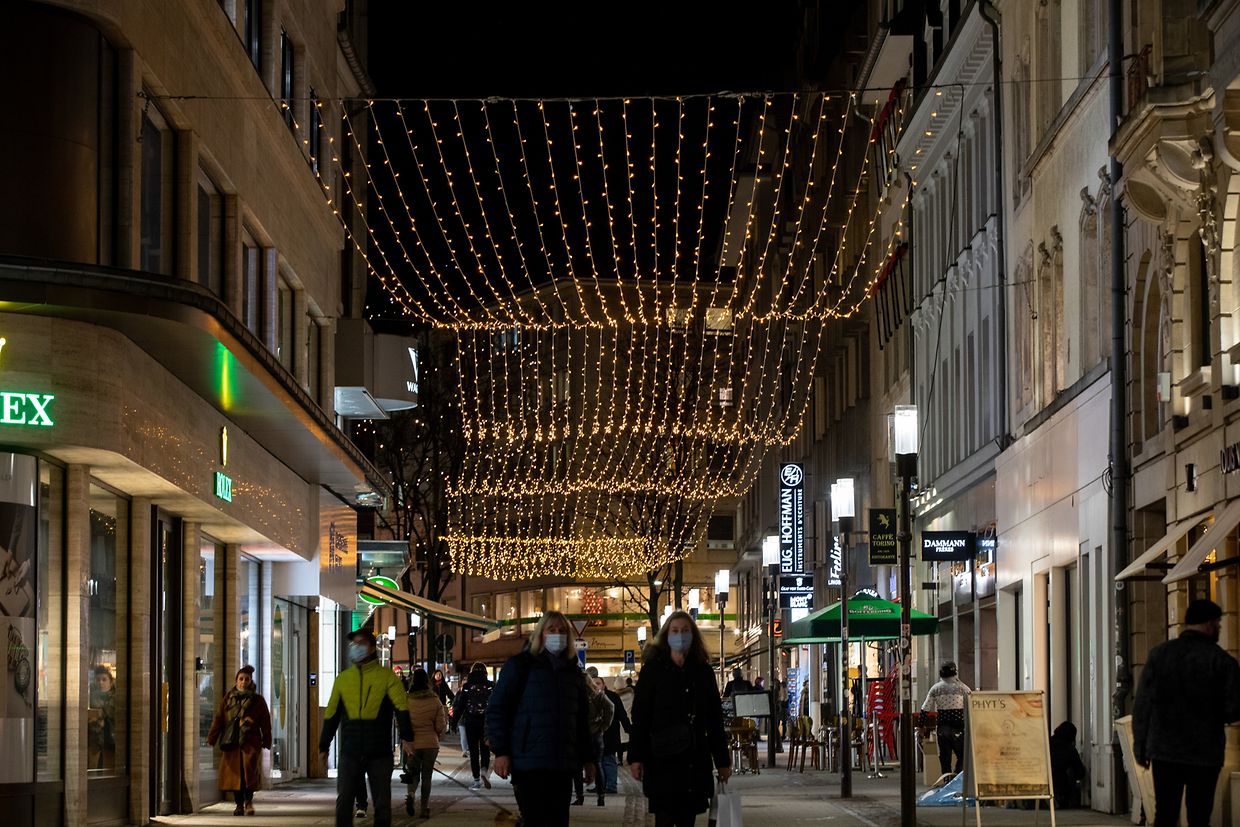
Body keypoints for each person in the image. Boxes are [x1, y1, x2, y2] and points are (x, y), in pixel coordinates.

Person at [1133, 599, 1240, 827]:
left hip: (1165, 750)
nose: (1220, 628)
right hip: (1205, 752)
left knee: (1166, 813)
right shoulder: (1221, 661)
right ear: (1210, 624)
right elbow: (1233, 709)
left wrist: (1140, 746)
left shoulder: (1159, 655)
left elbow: (1143, 704)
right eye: (1219, 623)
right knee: (1200, 815)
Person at [486, 611, 596, 827]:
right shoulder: (521, 665)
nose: (558, 634)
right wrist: (501, 751)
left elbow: (581, 720)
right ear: (540, 634)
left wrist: (588, 758)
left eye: (562, 630)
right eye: (551, 630)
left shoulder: (572, 673)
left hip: (562, 764)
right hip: (529, 763)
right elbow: (498, 708)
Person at [630, 611, 732, 827]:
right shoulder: (653, 670)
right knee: (664, 818)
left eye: (685, 630)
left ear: (693, 635)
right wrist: (636, 757)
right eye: (675, 630)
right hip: (662, 759)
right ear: (666, 636)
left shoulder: (702, 672)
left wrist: (722, 761)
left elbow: (714, 719)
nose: (680, 635)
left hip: (694, 761)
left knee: (688, 819)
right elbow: (640, 717)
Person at [318, 629, 415, 827]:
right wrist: (323, 746)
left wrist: (407, 737)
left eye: (360, 643)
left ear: (372, 648)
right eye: (353, 643)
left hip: (379, 752)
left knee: (382, 804)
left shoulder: (387, 678)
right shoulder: (343, 679)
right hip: (350, 751)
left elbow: (402, 708)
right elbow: (331, 715)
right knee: (344, 801)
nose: (355, 647)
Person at [206, 665, 272, 816]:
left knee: (249, 773)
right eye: (241, 679)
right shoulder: (228, 698)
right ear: (236, 681)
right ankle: (239, 805)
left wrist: (266, 740)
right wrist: (212, 738)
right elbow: (219, 719)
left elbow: (266, 722)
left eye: (246, 679)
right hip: (232, 743)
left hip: (250, 742)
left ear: (250, 681)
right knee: (235, 776)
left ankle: (248, 802)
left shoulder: (257, 700)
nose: (243, 682)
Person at [404, 667, 448, 818]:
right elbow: (441, 725)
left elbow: (401, 722)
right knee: (426, 777)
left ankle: (410, 794)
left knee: (413, 774)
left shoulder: (407, 700)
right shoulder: (435, 700)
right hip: (430, 744)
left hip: (412, 744)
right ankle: (424, 808)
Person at [920, 661, 970, 777]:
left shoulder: (935, 688)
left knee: (944, 758)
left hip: (943, 727)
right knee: (962, 755)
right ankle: (957, 777)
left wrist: (921, 725)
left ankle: (947, 781)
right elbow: (972, 703)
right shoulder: (963, 688)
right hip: (959, 727)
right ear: (955, 673)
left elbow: (925, 708)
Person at [574, 668, 614, 806]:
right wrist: (603, 726)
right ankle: (601, 797)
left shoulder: (575, 694)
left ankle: (580, 797)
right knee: (598, 765)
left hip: (579, 735)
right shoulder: (597, 694)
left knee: (577, 767)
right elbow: (610, 707)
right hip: (596, 734)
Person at [453, 661, 493, 791]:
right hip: (486, 722)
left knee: (474, 752)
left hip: (470, 722)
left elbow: (460, 706)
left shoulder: (467, 686)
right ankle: (484, 770)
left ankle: (476, 781)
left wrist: (454, 722)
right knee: (485, 749)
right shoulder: (491, 686)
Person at [596, 675, 631, 795]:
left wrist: (628, 728)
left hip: (610, 734)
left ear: (604, 684)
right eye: (593, 684)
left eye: (598, 683)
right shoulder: (589, 697)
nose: (596, 686)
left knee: (609, 760)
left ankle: (611, 786)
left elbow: (622, 714)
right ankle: (601, 785)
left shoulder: (612, 697)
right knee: (598, 761)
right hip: (595, 735)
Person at [1049, 721, 1087, 809]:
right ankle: (1064, 799)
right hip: (1061, 784)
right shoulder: (1070, 749)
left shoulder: (1048, 743)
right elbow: (1080, 772)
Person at [88, 665, 117, 770]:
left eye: (104, 679)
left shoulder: (116, 697)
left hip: (112, 741)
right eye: (98, 679)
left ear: (111, 681)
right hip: (94, 741)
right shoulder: (90, 696)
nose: (101, 682)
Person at [433, 669, 456, 733]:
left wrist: (454, 700)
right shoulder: (431, 684)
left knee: (441, 720)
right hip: (433, 705)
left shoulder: (444, 684)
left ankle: (440, 732)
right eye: (437, 674)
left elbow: (450, 693)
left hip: (442, 705)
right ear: (434, 675)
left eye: (440, 674)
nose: (438, 676)